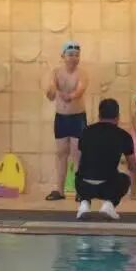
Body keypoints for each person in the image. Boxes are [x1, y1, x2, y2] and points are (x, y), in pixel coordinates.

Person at [75, 99, 136, 221]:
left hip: (83, 185)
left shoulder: (86, 131)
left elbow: (80, 159)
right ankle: (109, 205)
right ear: (118, 117)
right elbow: (132, 165)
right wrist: (134, 169)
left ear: (99, 116)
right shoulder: (123, 136)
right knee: (125, 179)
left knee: (81, 174)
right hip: (108, 186)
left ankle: (84, 204)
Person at [45, 41, 89, 201]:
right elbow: (50, 95)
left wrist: (69, 96)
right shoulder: (56, 72)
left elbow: (80, 90)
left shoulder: (82, 73)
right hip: (61, 118)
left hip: (78, 118)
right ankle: (60, 190)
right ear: (63, 56)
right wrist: (50, 90)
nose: (74, 58)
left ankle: (80, 191)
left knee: (78, 154)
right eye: (70, 55)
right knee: (61, 154)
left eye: (77, 55)